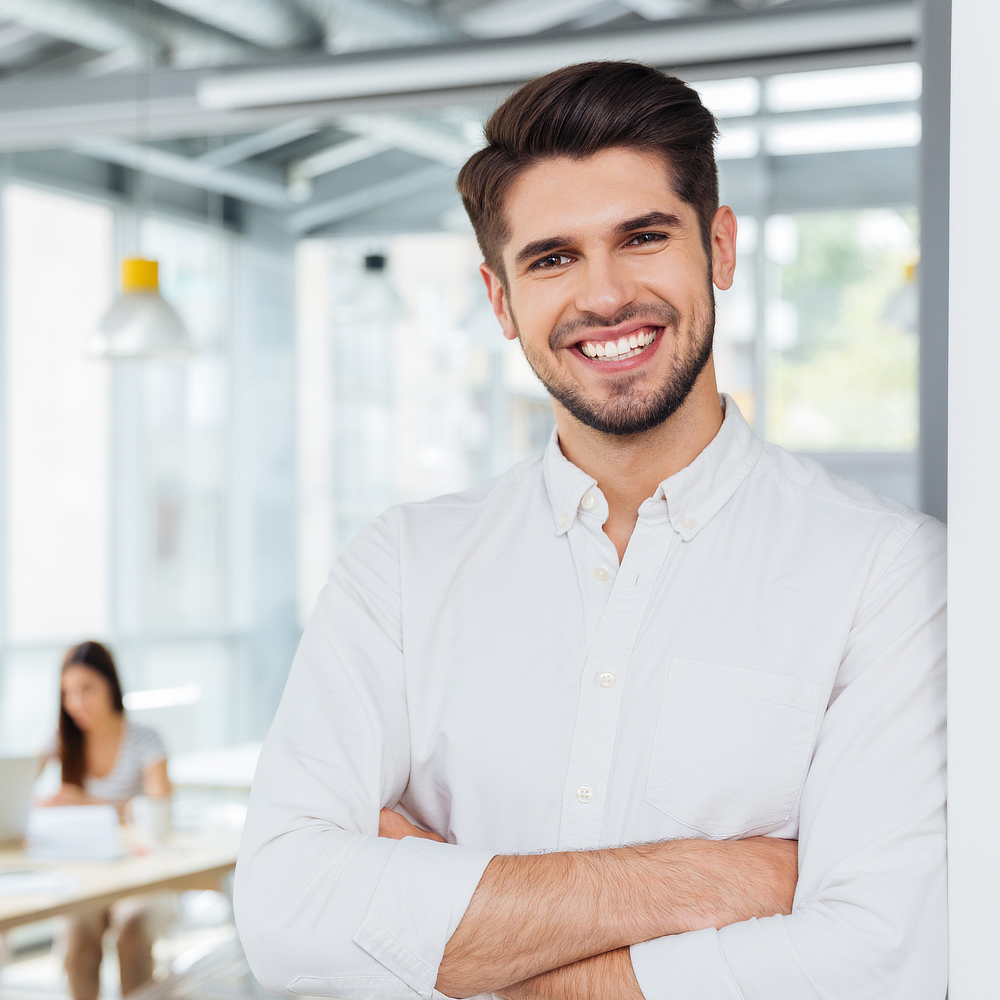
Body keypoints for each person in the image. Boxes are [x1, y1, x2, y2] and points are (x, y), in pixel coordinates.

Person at [234, 61, 946, 1000]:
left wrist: (454, 938)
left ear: (720, 251)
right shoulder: (402, 566)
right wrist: (725, 877)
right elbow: (287, 918)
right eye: (552, 257)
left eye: (643, 237)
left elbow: (880, 961)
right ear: (501, 301)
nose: (604, 296)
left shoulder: (888, 572)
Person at [39, 641, 171, 1000]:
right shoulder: (62, 739)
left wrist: (87, 802)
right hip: (87, 876)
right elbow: (17, 789)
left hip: (141, 875)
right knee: (78, 933)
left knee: (132, 928)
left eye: (86, 689)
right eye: (67, 693)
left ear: (111, 685)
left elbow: (159, 812)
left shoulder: (146, 740)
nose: (76, 703)